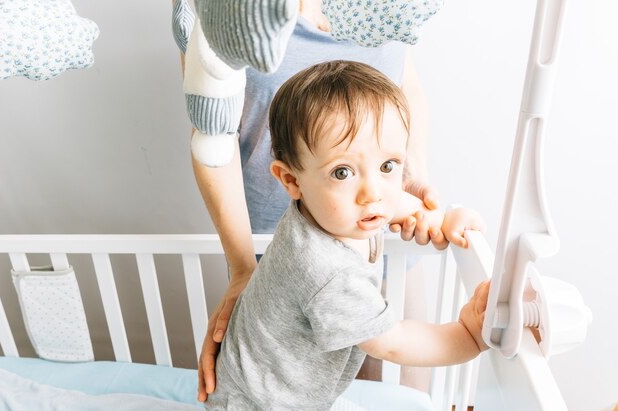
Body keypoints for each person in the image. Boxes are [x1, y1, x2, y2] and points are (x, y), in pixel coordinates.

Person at [192, 1, 443, 401]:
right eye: (343, 172)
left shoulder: (393, 8)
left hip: (377, 234)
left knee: (403, 387)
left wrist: (409, 184)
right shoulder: (225, 11)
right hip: (274, 244)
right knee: (290, 380)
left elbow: (403, 78)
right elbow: (210, 132)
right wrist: (242, 268)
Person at [204, 60, 489, 409]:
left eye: (387, 166)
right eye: (342, 172)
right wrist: (469, 336)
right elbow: (392, 343)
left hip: (266, 384)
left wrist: (441, 218)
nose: (373, 192)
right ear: (291, 181)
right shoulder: (326, 271)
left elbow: (398, 201)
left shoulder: (336, 209)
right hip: (261, 403)